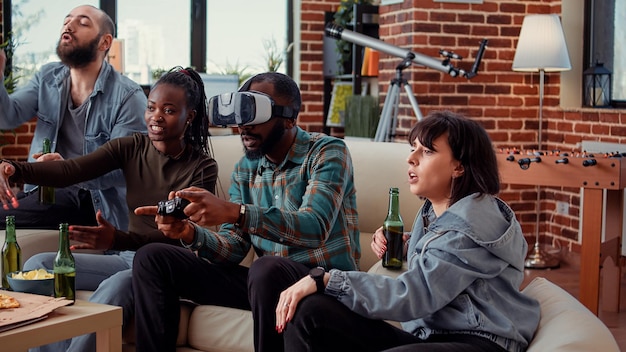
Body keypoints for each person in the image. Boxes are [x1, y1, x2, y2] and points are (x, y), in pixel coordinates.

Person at [275, 110, 541, 352]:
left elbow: (415, 294)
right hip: (433, 336)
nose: (410, 158)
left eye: (427, 151)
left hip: (479, 341)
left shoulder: (470, 224)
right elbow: (442, 257)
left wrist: (326, 279)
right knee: (310, 312)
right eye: (414, 148)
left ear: (458, 167)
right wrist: (402, 244)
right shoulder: (435, 214)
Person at [131, 71, 360, 352]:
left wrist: (236, 212)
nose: (245, 126)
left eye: (257, 114)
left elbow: (315, 226)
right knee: (153, 257)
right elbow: (235, 247)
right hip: (264, 286)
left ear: (289, 118)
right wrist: (190, 233)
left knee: (265, 268)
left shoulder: (326, 151)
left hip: (320, 285)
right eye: (242, 114)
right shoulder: (244, 170)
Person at [0, 66, 217, 352]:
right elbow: (71, 170)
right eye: (151, 108)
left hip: (162, 267)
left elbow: (175, 238)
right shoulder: (132, 147)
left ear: (189, 116)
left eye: (168, 110)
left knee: (115, 287)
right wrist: (14, 169)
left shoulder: (202, 168)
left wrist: (116, 239)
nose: (156, 118)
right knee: (38, 266)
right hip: (125, 257)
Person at [0, 4, 147, 230]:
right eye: (67, 20)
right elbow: (8, 117)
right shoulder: (47, 77)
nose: (69, 24)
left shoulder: (129, 97)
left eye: (83, 22)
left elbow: (125, 170)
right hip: (45, 192)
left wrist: (68, 170)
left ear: (104, 42)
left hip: (94, 200)